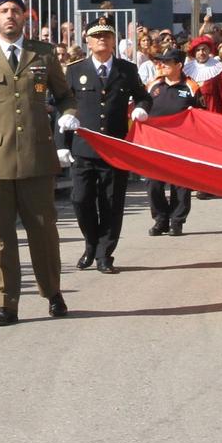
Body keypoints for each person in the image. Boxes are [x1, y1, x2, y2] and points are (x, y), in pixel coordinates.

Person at [0, 0, 76, 324]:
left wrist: (68, 117)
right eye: (4, 11)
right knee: (0, 236)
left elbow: (65, 95)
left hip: (37, 155)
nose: (10, 15)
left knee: (43, 230)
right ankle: (6, 303)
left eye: (16, 11)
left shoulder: (43, 54)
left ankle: (52, 292)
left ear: (25, 18)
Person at [62, 18, 151, 274]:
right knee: (81, 199)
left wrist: (142, 109)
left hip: (114, 148)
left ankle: (104, 254)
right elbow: (63, 106)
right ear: (87, 41)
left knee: (111, 202)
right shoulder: (74, 69)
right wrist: (63, 144)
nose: (102, 39)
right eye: (97, 35)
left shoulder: (127, 69)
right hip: (84, 148)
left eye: (107, 35)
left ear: (114, 40)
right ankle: (91, 242)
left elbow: (143, 96)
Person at [143, 47, 199, 236]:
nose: (162, 65)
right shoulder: (154, 86)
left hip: (181, 143)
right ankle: (161, 219)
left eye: (167, 62)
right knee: (153, 183)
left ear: (179, 65)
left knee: (181, 183)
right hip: (156, 142)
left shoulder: (191, 87)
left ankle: (177, 221)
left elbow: (203, 114)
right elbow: (143, 105)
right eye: (162, 62)